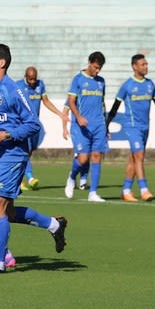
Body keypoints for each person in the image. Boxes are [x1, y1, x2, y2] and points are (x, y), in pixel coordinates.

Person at [0, 44, 67, 274]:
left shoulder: (13, 90)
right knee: (6, 212)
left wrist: (7, 135)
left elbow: (33, 124)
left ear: (1, 63)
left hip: (12, 156)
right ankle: (54, 224)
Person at [106, 54, 155, 202]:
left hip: (146, 127)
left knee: (133, 159)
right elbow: (114, 108)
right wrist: (106, 126)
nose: (146, 67)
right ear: (134, 67)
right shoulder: (127, 85)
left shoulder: (150, 84)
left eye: (146, 64)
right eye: (143, 64)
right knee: (139, 156)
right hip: (132, 126)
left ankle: (126, 191)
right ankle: (144, 189)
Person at [64, 52, 108, 202]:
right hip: (81, 125)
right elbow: (71, 101)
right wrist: (79, 117)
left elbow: (103, 103)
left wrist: (106, 126)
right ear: (89, 63)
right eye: (96, 67)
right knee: (83, 159)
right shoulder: (78, 79)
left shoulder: (101, 81)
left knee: (96, 157)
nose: (98, 71)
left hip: (98, 125)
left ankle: (93, 193)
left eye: (100, 68)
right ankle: (71, 177)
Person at [17, 66, 68, 190]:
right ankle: (30, 178)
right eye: (30, 79)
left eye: (34, 79)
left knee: (28, 152)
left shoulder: (40, 85)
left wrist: (60, 114)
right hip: (22, 124)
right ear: (25, 77)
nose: (33, 82)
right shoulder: (17, 86)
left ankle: (18, 181)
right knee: (25, 150)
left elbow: (46, 101)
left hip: (35, 125)